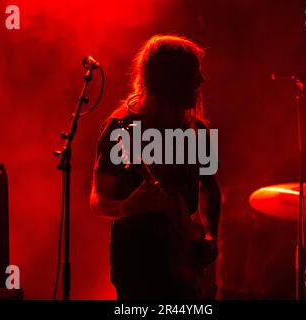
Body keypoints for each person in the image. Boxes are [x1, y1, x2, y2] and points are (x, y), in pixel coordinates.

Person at [90, 34, 221, 299]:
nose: (201, 81)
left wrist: (210, 236)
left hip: (187, 263)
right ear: (171, 78)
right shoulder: (123, 128)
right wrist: (127, 207)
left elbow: (210, 188)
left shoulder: (198, 130)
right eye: (193, 73)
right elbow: (98, 200)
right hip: (138, 263)